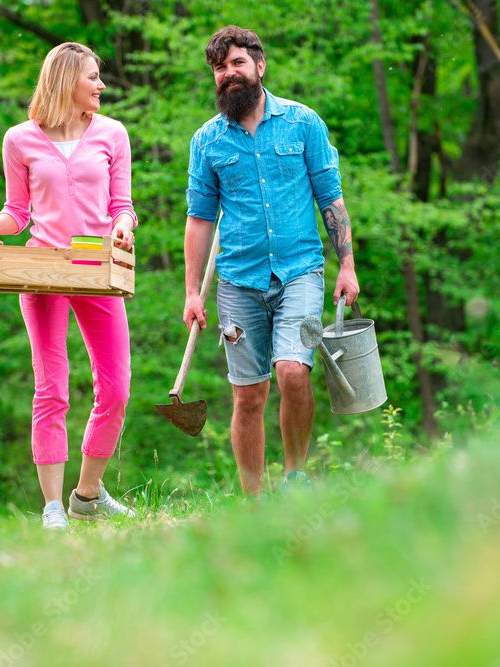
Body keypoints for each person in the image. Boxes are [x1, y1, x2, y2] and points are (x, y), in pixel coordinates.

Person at [182, 26, 360, 497]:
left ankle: (295, 477)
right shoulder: (208, 141)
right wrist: (190, 292)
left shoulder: (303, 124)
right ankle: (254, 501)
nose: (228, 74)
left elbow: (331, 199)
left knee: (293, 372)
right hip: (237, 281)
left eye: (237, 63)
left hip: (300, 269)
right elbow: (199, 220)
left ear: (260, 66)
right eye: (220, 68)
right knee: (248, 395)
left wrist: (346, 265)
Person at [0, 42, 137, 530]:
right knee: (51, 388)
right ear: (66, 80)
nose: (101, 85)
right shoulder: (19, 139)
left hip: (94, 265)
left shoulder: (112, 133)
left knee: (117, 388)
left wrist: (124, 226)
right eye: (93, 77)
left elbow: (121, 204)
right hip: (42, 269)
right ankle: (53, 507)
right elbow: (16, 213)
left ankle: (87, 493)